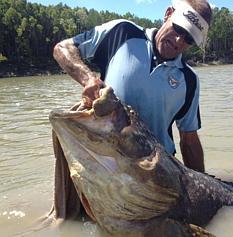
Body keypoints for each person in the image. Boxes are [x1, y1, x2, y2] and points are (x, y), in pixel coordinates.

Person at [53, 0, 212, 173]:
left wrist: (205, 191)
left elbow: (189, 140)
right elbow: (63, 48)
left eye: (189, 39)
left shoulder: (189, 80)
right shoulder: (122, 32)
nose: (179, 40)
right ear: (168, 14)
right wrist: (88, 78)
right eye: (179, 28)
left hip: (159, 174)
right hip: (106, 158)